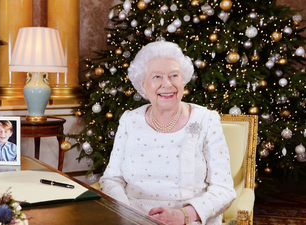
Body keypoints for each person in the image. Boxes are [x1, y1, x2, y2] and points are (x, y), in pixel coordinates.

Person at [99, 41, 236, 225]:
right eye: (157, 77)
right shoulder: (129, 121)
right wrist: (128, 215)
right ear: (143, 85)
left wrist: (183, 215)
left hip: (188, 220)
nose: (167, 84)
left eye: (174, 75)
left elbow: (223, 190)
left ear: (183, 81)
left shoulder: (206, 120)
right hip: (132, 219)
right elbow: (111, 179)